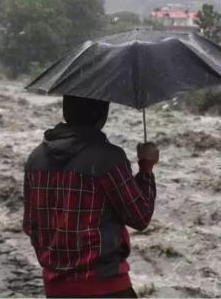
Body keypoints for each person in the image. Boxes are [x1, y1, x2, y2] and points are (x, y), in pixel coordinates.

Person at [23, 95, 159, 298]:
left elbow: (30, 226)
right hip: (106, 286)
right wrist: (146, 168)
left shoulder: (36, 159)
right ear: (102, 114)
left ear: (66, 110)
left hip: (56, 289)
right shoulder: (109, 158)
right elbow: (140, 217)